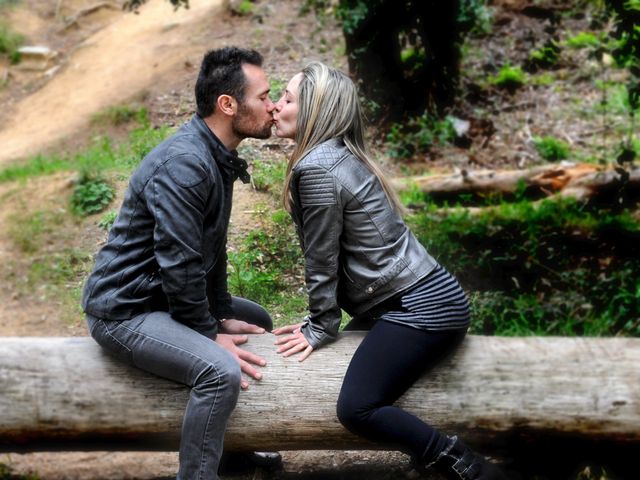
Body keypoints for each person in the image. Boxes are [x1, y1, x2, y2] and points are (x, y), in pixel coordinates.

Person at [271, 61, 508, 480]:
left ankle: (463, 465)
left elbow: (321, 260)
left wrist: (321, 326)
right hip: (415, 299)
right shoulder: (336, 156)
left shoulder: (318, 168)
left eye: (287, 98)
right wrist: (318, 321)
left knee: (356, 408)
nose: (276, 106)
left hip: (423, 307)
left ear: (313, 110)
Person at [82, 47, 281, 479]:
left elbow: (211, 251)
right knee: (219, 370)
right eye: (265, 96)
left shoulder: (216, 155)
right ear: (227, 105)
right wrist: (207, 330)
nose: (273, 105)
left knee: (255, 319)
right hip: (125, 310)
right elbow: (180, 264)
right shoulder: (187, 164)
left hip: (163, 297)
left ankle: (234, 452)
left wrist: (223, 314)